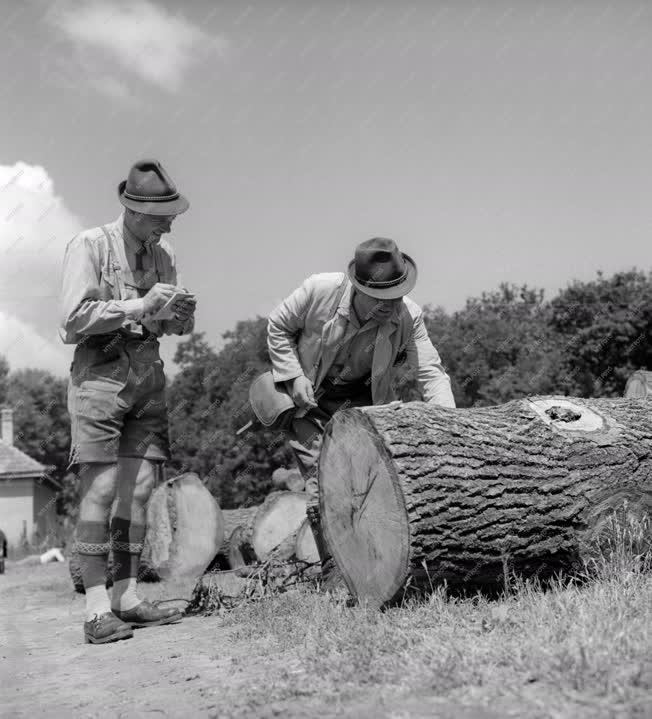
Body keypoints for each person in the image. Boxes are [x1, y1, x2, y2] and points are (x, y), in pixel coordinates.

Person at [59, 159, 197, 644]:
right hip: (99, 374)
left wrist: (178, 317)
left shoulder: (165, 254)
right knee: (99, 490)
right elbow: (72, 321)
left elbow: (164, 326)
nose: (170, 222)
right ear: (134, 210)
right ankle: (97, 611)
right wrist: (139, 305)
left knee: (138, 490)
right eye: (163, 215)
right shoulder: (90, 245)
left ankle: (127, 597)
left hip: (147, 373)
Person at [266, 237, 456, 587]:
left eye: (397, 294)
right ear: (358, 287)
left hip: (367, 408)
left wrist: (451, 427)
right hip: (309, 405)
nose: (391, 305)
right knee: (322, 481)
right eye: (382, 298)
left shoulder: (409, 315)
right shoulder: (317, 290)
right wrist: (292, 377)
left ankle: (378, 564)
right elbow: (277, 327)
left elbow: (430, 372)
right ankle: (335, 572)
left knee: (370, 483)